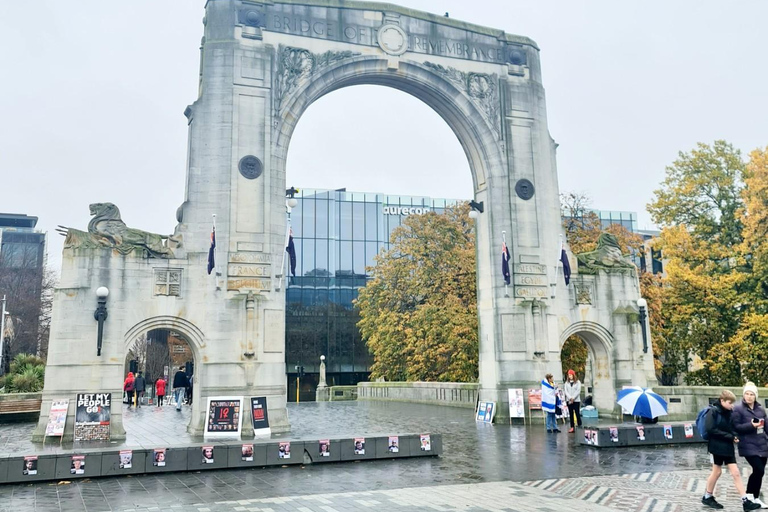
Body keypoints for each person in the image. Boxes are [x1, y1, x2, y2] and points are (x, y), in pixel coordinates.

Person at [702, 389, 761, 510]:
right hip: (716, 447)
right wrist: (730, 436)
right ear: (722, 401)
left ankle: (745, 501)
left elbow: (733, 427)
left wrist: (735, 436)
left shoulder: (730, 412)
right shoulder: (713, 412)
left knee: (736, 473)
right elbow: (711, 429)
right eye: (729, 402)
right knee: (716, 472)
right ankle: (708, 496)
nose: (732, 405)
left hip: (727, 447)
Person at [732, 382, 768, 508]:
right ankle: (749, 495)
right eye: (747, 394)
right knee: (758, 468)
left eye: (751, 394)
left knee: (760, 471)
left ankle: (754, 497)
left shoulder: (760, 409)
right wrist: (751, 425)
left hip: (762, 444)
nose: (749, 396)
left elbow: (766, 426)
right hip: (747, 444)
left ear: (755, 396)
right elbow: (736, 427)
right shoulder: (738, 409)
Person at [564, 369, 583, 433]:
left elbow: (578, 391)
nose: (570, 376)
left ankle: (580, 425)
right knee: (571, 414)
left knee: (577, 413)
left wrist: (573, 398)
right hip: (569, 400)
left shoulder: (578, 382)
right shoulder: (566, 383)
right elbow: (566, 391)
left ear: (573, 375)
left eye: (571, 375)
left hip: (576, 400)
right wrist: (570, 398)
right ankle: (572, 427)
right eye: (569, 375)